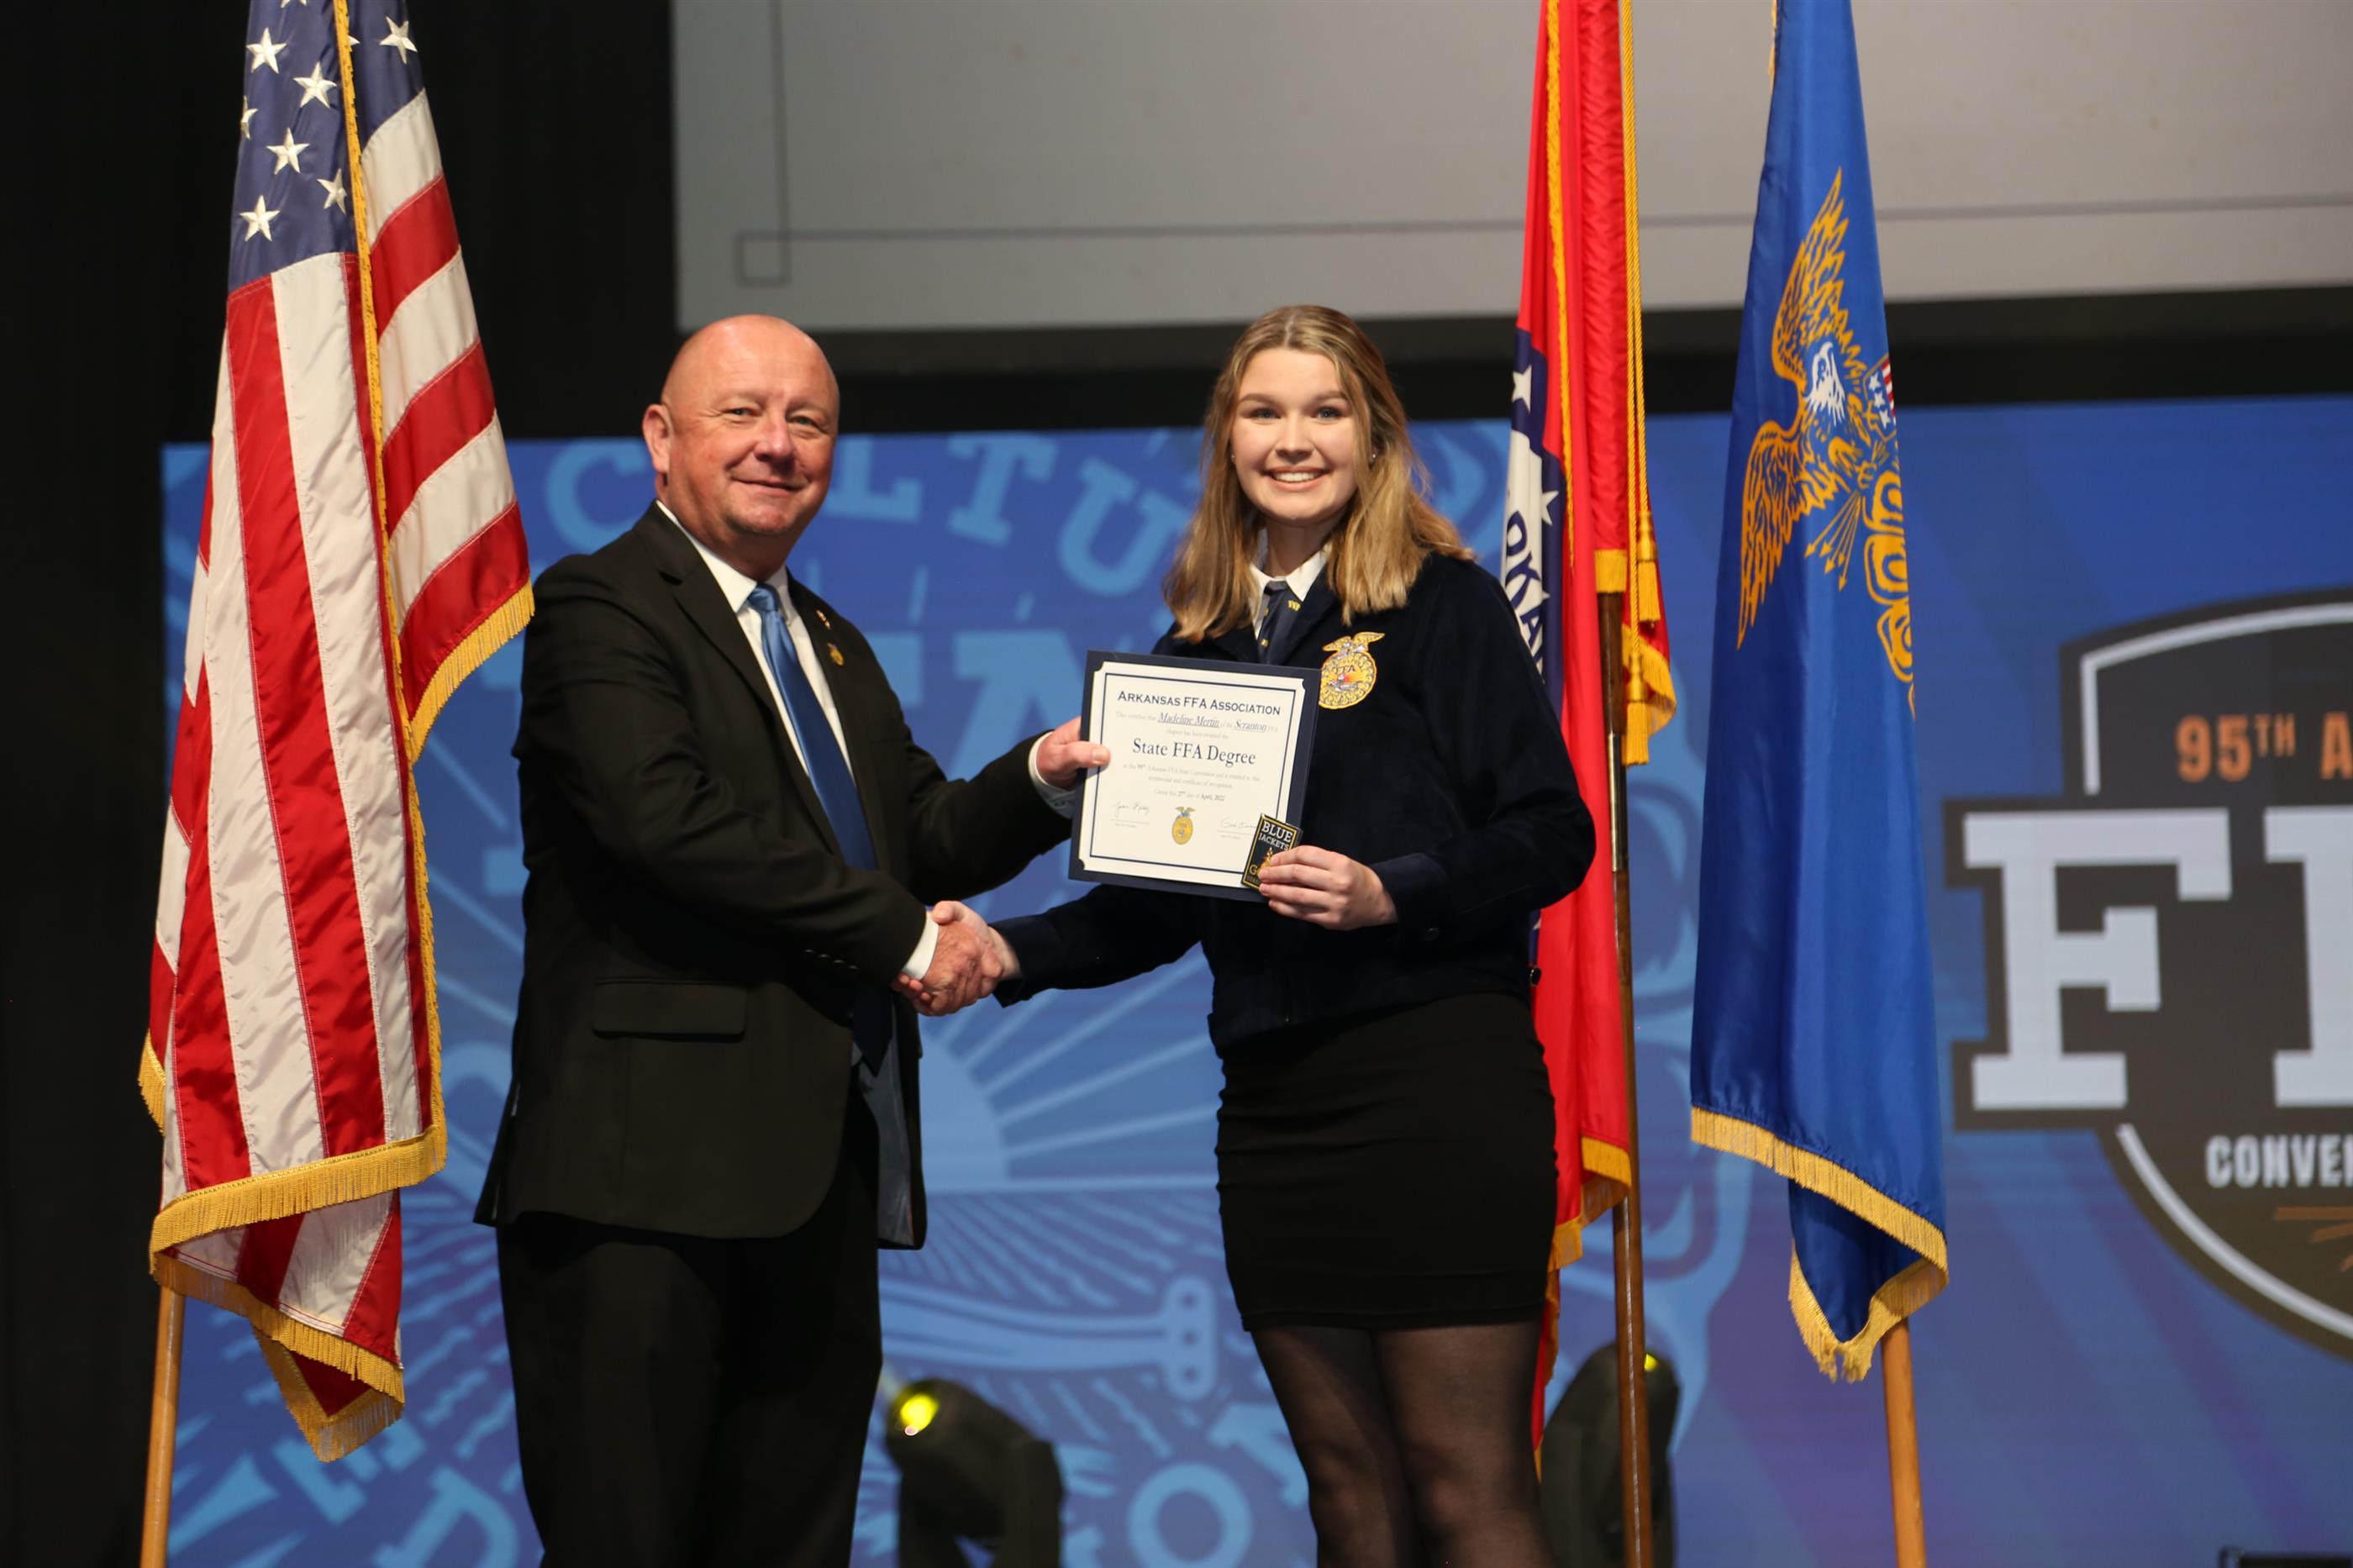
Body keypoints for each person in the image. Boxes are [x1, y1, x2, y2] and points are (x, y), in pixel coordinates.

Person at [919, 305, 1594, 1565]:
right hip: (1278, 1115)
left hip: (1438, 1092)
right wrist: (1008, 952)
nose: (1295, 440)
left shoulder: (1442, 604)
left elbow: (1554, 832)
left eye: (1326, 412)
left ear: (1374, 437)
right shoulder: (1197, 649)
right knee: (1350, 1497)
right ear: (1227, 440)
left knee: (1469, 1489)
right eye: (1266, 412)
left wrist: (1391, 890)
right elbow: (1158, 902)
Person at [473, 314, 1105, 1568]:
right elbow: (667, 824)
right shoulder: (600, 604)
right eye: (742, 414)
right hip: (637, 1189)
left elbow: (915, 833)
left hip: (816, 1181)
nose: (778, 444)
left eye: (807, 421)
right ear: (661, 439)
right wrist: (903, 939)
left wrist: (1041, 774)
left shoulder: (828, 641)